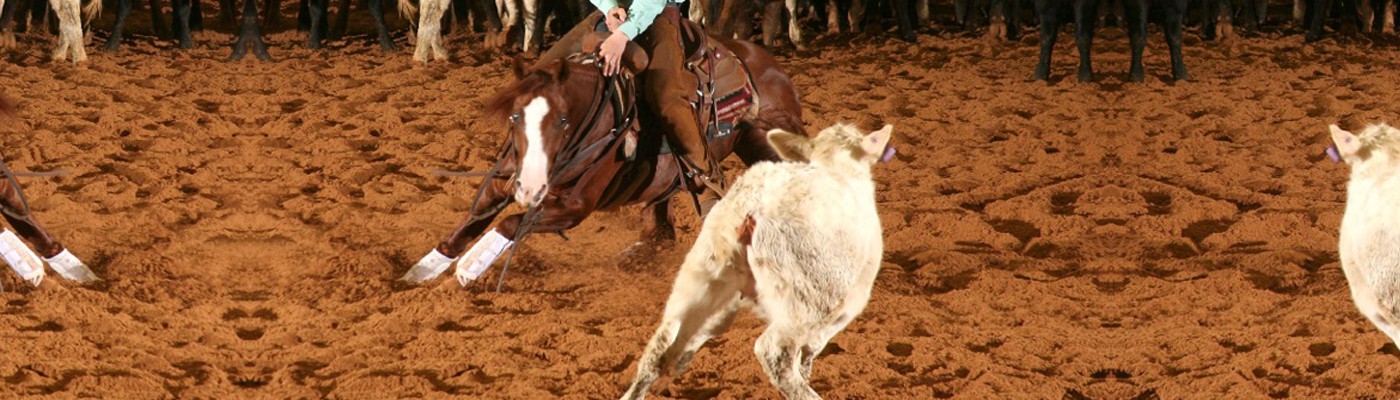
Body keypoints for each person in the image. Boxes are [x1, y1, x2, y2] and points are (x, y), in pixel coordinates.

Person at [535, 0, 724, 213]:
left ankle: (706, 176)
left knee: (665, 96)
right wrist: (609, 7)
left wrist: (623, 34)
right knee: (539, 76)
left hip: (658, 14)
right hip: (614, 15)